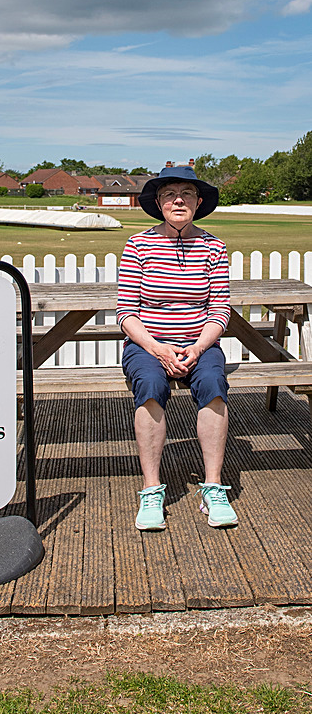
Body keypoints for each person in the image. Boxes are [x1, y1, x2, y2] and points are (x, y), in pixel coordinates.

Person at [117, 164, 238, 531]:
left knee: (215, 387)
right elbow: (126, 312)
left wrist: (199, 348)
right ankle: (152, 491)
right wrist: (157, 349)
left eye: (186, 194)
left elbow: (220, 309)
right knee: (150, 388)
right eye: (170, 195)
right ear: (159, 203)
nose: (178, 200)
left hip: (199, 343)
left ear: (199, 202)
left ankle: (213, 487)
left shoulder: (213, 246)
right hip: (148, 343)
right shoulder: (138, 244)